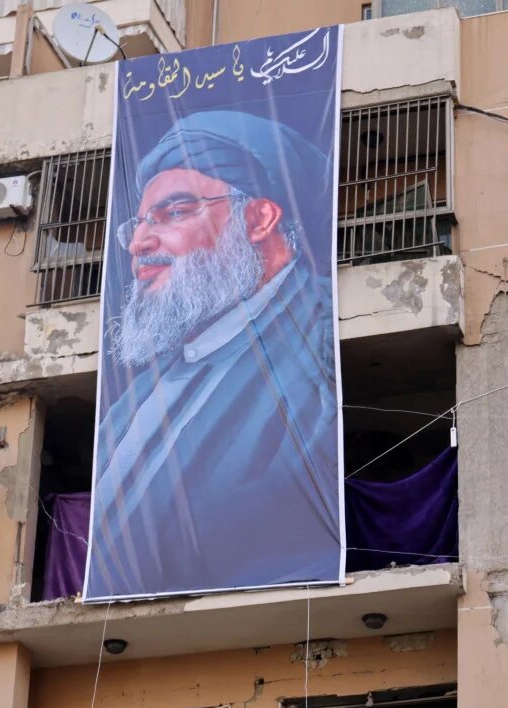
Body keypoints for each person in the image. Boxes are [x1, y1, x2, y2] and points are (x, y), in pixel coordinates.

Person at [89, 110, 342, 599]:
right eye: (138, 225)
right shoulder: (137, 400)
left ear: (259, 219)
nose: (140, 242)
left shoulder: (323, 341)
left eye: (174, 213)